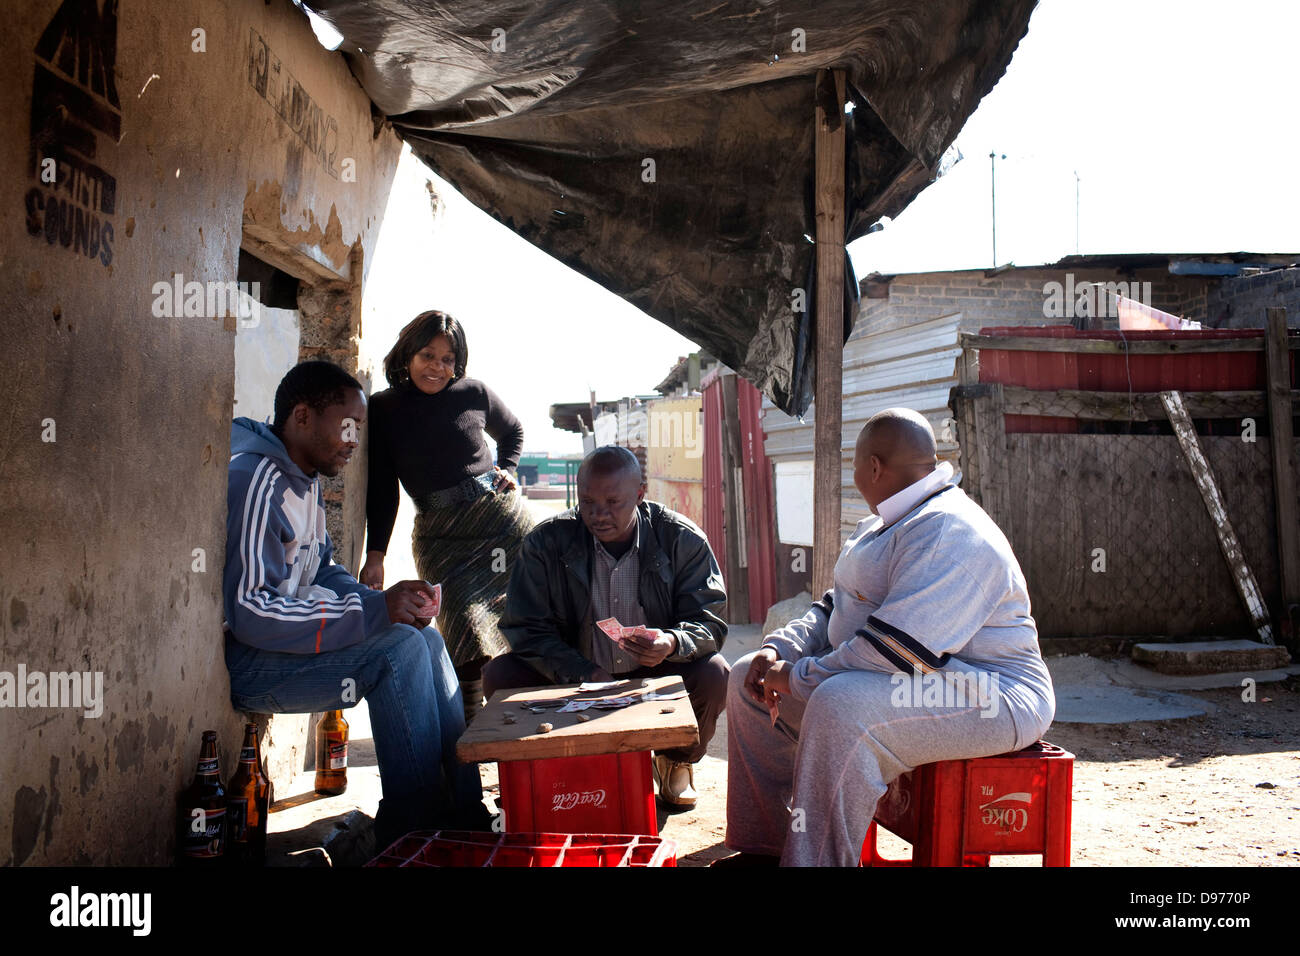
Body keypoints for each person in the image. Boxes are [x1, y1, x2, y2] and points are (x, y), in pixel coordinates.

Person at [718, 408, 1055, 866]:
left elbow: (895, 651)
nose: (854, 475)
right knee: (745, 678)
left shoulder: (950, 531)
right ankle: (769, 848)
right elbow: (835, 605)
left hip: (993, 692)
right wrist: (781, 649)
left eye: (855, 464)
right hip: (921, 675)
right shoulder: (883, 522)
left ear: (873, 467)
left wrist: (796, 677)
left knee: (842, 703)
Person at [222, 360, 486, 849]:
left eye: (359, 429)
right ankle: (413, 827)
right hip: (253, 663)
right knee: (398, 651)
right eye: (346, 425)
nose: (353, 440)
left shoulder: (305, 482)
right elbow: (252, 611)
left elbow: (322, 570)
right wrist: (371, 613)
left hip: (286, 650)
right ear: (302, 417)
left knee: (424, 635)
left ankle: (465, 807)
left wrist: (386, 602)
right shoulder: (257, 481)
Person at [488, 446, 730, 808]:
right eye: (587, 502)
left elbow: (709, 620)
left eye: (613, 502)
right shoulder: (546, 543)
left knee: (714, 674)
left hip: (657, 670)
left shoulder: (681, 539)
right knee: (500, 675)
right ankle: (537, 772)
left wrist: (671, 642)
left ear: (639, 494)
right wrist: (582, 670)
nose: (598, 515)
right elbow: (525, 629)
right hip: (575, 674)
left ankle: (675, 760)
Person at [360, 311, 533, 723]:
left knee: (531, 620)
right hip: (441, 538)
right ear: (407, 354)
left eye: (448, 359)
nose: (438, 367)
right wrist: (377, 554)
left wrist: (507, 467)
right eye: (428, 355)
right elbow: (383, 486)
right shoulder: (383, 408)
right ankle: (472, 736)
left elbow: (514, 431)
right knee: (461, 626)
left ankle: (526, 725)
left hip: (501, 524)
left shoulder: (472, 392)